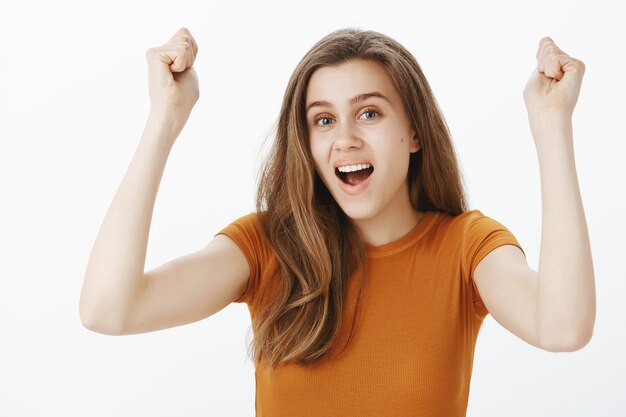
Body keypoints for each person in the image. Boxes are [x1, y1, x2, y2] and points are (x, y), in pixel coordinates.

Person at [79, 27, 596, 416]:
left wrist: (551, 125)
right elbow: (108, 309)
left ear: (414, 132)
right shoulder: (269, 247)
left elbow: (563, 326)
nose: (344, 138)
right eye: (323, 120)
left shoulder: (465, 247)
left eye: (369, 113)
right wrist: (164, 117)